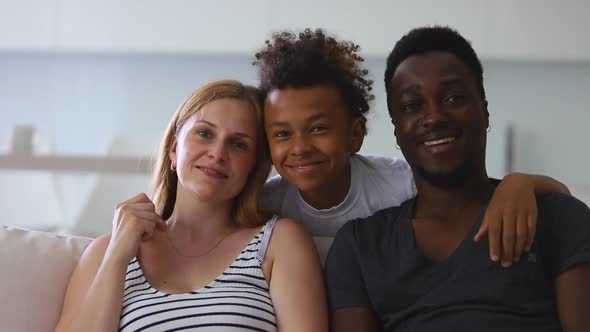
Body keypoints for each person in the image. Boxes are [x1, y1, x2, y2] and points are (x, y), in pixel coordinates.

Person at [324, 26, 590, 331]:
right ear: (397, 130)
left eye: (453, 98)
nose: (434, 117)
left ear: (485, 111)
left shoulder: (558, 218)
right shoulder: (361, 245)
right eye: (413, 106)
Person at [253, 28, 570, 266]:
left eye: (318, 128)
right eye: (282, 134)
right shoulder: (265, 204)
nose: (300, 147)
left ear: (355, 135)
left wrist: (520, 182)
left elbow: (549, 194)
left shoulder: (399, 184)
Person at [54, 80, 328, 332]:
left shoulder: (279, 242)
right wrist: (116, 258)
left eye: (238, 144)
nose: (218, 154)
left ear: (254, 167)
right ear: (174, 149)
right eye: (205, 133)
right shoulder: (107, 252)